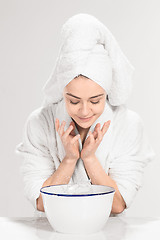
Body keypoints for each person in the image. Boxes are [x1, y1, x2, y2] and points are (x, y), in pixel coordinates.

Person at [15, 13, 155, 216]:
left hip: (111, 233)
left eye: (95, 100)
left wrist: (89, 158)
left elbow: (117, 205)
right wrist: (69, 160)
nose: (84, 111)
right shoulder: (39, 123)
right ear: (62, 91)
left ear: (106, 93)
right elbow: (41, 202)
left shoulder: (128, 124)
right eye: (73, 100)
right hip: (52, 231)